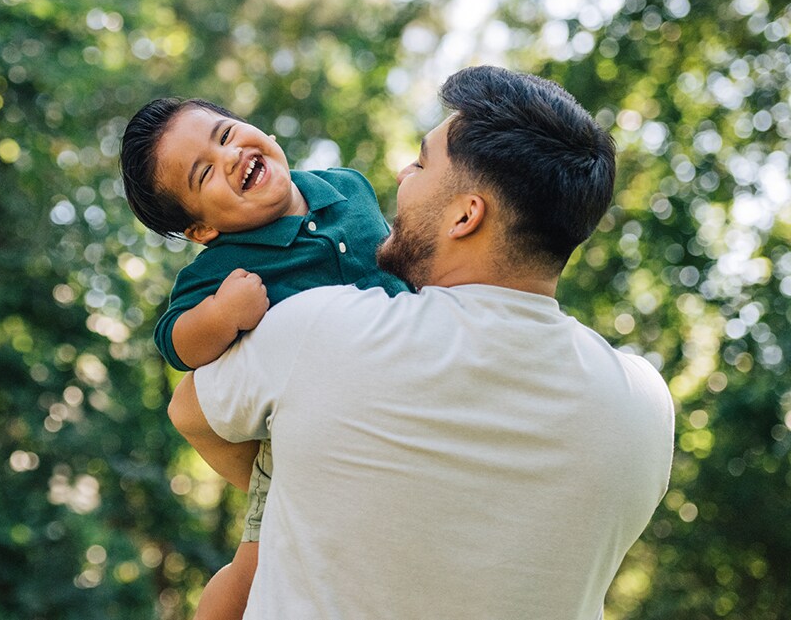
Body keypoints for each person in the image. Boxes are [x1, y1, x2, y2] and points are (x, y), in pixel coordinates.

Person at [168, 65, 675, 619]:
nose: (402, 175)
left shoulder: (318, 330)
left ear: (465, 215)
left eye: (421, 162)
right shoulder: (645, 404)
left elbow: (189, 410)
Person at [120, 97, 408, 619]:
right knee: (250, 576)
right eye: (204, 171)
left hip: (402, 395)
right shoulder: (222, 265)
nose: (230, 156)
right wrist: (222, 315)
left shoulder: (346, 185)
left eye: (226, 134)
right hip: (302, 432)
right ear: (202, 229)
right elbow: (174, 341)